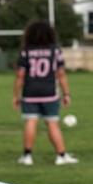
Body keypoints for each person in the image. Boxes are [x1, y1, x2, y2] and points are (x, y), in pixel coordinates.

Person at [12, 21, 77, 166]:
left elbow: (20, 75)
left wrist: (16, 96)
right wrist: (67, 94)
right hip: (49, 93)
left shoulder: (26, 51)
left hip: (30, 93)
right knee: (52, 123)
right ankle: (61, 156)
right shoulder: (55, 51)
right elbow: (61, 74)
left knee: (30, 122)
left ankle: (27, 156)